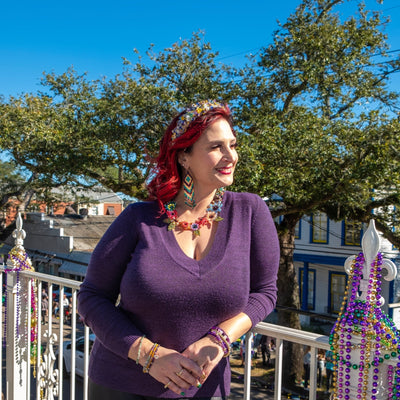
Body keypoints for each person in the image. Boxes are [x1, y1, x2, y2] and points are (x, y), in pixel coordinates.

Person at [77, 100, 280, 400]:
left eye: (233, 145)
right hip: (121, 385)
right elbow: (91, 297)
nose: (230, 156)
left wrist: (221, 339)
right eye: (215, 147)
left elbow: (265, 293)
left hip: (204, 390)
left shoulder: (250, 212)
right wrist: (149, 355)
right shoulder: (138, 219)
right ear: (184, 156)